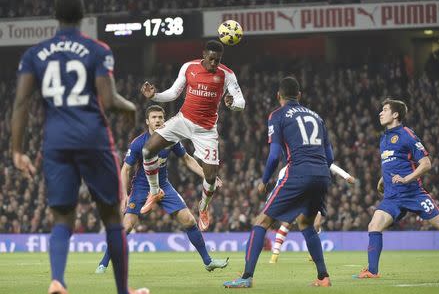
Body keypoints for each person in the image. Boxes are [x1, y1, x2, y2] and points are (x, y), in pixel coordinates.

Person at [11, 0, 148, 294]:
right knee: (112, 215)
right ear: (83, 16)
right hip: (92, 138)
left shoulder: (35, 54)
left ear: (55, 17)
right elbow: (109, 100)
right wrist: (131, 108)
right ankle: (123, 291)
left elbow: (21, 103)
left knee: (62, 216)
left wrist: (17, 150)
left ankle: (57, 280)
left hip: (56, 141)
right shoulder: (96, 49)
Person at [223, 77, 333, 288]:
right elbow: (330, 156)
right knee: (306, 224)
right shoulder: (317, 117)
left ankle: (246, 277)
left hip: (298, 173)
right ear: (299, 96)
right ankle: (323, 277)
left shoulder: (277, 115)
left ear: (278, 96)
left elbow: (274, 156)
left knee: (261, 221)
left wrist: (264, 181)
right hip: (322, 175)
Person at [95, 105, 229, 273]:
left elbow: (187, 159)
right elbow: (125, 170)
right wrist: (124, 195)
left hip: (163, 185)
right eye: (154, 117)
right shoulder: (138, 143)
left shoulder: (171, 139)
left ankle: (208, 261)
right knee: (127, 226)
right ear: (147, 121)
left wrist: (207, 176)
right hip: (141, 186)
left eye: (160, 117)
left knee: (189, 220)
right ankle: (104, 263)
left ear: (164, 120)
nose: (157, 120)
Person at [139, 40, 245, 231]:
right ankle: (155, 191)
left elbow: (241, 102)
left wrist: (232, 104)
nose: (214, 64)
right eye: (211, 59)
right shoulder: (189, 67)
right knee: (147, 150)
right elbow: (173, 93)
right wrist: (155, 96)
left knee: (211, 177)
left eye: (217, 60)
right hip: (183, 120)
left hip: (206, 130)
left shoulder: (226, 74)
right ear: (204, 54)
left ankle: (203, 207)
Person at [355, 99, 439, 279]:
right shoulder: (384, 138)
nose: (380, 113)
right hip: (392, 197)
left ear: (396, 114)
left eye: (384, 110)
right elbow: (394, 161)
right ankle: (372, 271)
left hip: (414, 194)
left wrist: (406, 179)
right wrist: (383, 178)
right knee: (374, 225)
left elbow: (426, 163)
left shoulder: (407, 134)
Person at [269, 164, 355, 264]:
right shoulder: (286, 169)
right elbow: (277, 187)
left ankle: (312, 253)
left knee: (316, 224)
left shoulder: (312, 159)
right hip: (296, 197)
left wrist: (346, 176)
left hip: (313, 196)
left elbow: (329, 163)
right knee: (287, 223)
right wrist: (270, 201)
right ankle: (275, 253)